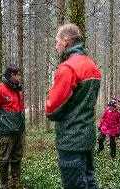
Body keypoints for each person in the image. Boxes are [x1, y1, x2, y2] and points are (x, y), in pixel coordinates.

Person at [45, 23, 101, 189]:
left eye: (57, 42)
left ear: (66, 41)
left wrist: (48, 102)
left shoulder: (68, 68)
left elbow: (52, 109)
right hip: (87, 136)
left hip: (71, 139)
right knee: (89, 181)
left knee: (75, 184)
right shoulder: (92, 66)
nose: (56, 46)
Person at [0, 64, 25, 189]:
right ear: (11, 75)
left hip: (18, 130)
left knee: (17, 157)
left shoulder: (18, 89)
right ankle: (4, 184)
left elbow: (20, 109)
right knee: (4, 158)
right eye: (18, 74)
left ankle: (16, 182)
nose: (20, 77)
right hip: (5, 132)